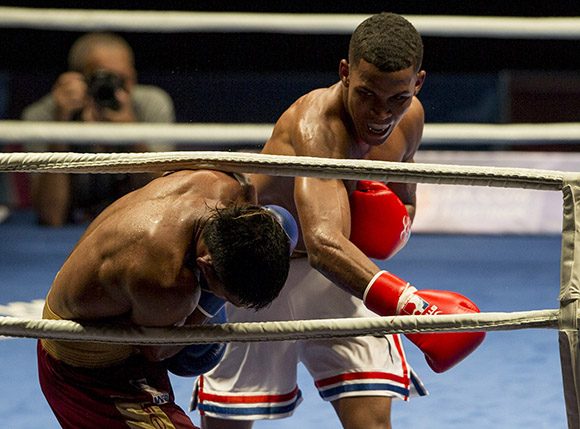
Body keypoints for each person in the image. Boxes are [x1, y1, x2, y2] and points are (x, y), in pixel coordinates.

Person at [193, 12, 485, 429]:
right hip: (262, 272)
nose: (380, 113)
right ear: (345, 73)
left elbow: (405, 208)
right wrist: (411, 306)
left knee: (372, 419)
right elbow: (323, 242)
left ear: (417, 83)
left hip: (339, 272)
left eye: (396, 98)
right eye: (367, 94)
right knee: (230, 423)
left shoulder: (411, 118)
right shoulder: (318, 124)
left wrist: (384, 227)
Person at [37, 168, 296, 429]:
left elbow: (253, 196)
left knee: (282, 223)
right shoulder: (168, 282)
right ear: (205, 266)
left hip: (116, 313)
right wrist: (209, 304)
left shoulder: (224, 186)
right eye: (227, 296)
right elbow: (157, 352)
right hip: (85, 371)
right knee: (195, 353)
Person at [22, 32, 175, 226]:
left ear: (134, 76)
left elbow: (161, 203)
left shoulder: (150, 105)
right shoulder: (45, 114)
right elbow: (51, 217)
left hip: (135, 225)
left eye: (123, 79)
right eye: (104, 78)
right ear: (78, 79)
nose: (113, 89)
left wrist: (132, 134)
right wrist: (60, 129)